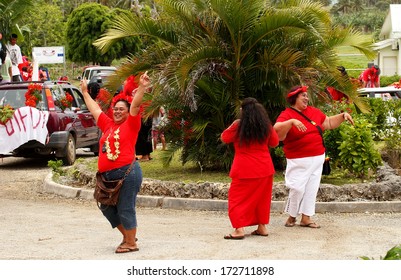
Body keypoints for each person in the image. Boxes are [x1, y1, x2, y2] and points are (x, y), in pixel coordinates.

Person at [80, 71, 151, 253]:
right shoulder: (108, 124)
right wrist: (85, 93)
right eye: (116, 109)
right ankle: (129, 236)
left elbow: (135, 106)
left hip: (127, 173)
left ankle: (130, 243)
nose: (118, 111)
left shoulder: (132, 124)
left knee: (126, 207)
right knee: (105, 206)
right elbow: (95, 109)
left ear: (128, 113)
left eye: (122, 109)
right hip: (107, 176)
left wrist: (142, 87)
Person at [273, 85, 354, 229]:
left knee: (311, 188)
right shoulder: (287, 114)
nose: (306, 97)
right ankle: (292, 215)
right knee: (297, 188)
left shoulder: (313, 111)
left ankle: (306, 218)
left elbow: (328, 122)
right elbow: (276, 132)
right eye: (303, 95)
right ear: (294, 98)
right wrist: (291, 122)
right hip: (298, 159)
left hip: (317, 157)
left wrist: (342, 116)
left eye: (306, 95)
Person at [221, 97, 279, 239]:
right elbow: (275, 142)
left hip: (244, 169)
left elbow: (224, 137)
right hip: (265, 168)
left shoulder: (238, 126)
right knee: (262, 199)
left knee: (236, 199)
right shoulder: (266, 126)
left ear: (243, 111)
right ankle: (262, 227)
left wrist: (233, 124)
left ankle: (239, 230)